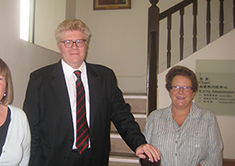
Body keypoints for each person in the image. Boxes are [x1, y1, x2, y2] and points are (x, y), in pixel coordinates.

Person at [23, 19, 160, 166]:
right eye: (68, 42)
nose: (74, 47)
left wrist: (139, 143)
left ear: (86, 45)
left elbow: (122, 115)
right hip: (53, 160)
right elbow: (32, 129)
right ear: (59, 47)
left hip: (94, 159)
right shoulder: (40, 80)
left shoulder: (105, 77)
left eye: (79, 42)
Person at [143, 65, 223, 166]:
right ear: (170, 91)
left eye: (186, 87)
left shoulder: (208, 118)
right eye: (176, 87)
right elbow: (145, 153)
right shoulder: (154, 117)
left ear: (193, 93)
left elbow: (214, 158)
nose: (181, 92)